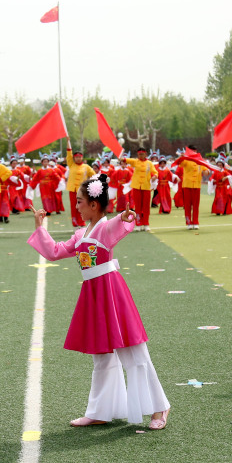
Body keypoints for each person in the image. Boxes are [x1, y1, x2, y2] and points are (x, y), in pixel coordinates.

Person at [28, 173, 170, 430]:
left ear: (94, 205)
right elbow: (54, 252)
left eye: (80, 201)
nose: (77, 206)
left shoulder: (104, 228)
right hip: (93, 294)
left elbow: (119, 223)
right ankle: (101, 410)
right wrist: (41, 228)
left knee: (133, 351)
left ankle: (159, 406)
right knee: (102, 355)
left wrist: (125, 217)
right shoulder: (82, 233)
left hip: (111, 292)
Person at [126, 148, 157, 231]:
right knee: (138, 206)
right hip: (137, 186)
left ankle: (146, 223)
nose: (141, 156)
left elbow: (155, 172)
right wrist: (122, 158)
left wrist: (155, 176)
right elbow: (127, 160)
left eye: (142, 154)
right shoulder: (135, 162)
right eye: (139, 154)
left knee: (146, 206)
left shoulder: (149, 163)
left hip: (146, 186)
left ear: (146, 154)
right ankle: (138, 223)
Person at [65, 145, 95, 227]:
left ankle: (81, 220)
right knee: (74, 206)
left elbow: (94, 175)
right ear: (74, 158)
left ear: (82, 158)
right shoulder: (71, 165)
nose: (78, 158)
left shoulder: (86, 167)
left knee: (82, 206)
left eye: (80, 157)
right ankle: (74, 220)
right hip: (72, 189)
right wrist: (68, 142)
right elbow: (68, 154)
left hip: (82, 190)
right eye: (76, 157)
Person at [178, 146, 204, 229]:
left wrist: (206, 171)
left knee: (196, 205)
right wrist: (182, 156)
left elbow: (205, 169)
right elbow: (180, 164)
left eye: (194, 151)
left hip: (197, 185)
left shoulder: (200, 160)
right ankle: (189, 222)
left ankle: (195, 222)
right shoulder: (186, 160)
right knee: (187, 205)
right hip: (187, 185)